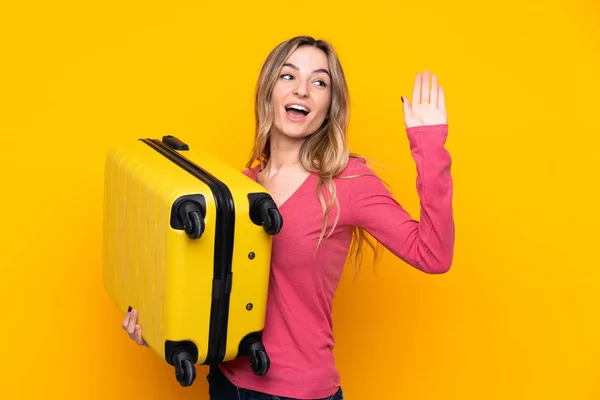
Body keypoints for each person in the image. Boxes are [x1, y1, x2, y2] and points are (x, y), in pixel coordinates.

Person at [120, 35, 454, 400]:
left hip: (300, 392)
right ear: (269, 92)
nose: (303, 91)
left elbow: (433, 254)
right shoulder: (236, 190)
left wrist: (429, 145)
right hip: (225, 383)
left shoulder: (347, 184)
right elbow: (204, 288)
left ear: (330, 106)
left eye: (319, 82)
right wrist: (156, 325)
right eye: (288, 76)